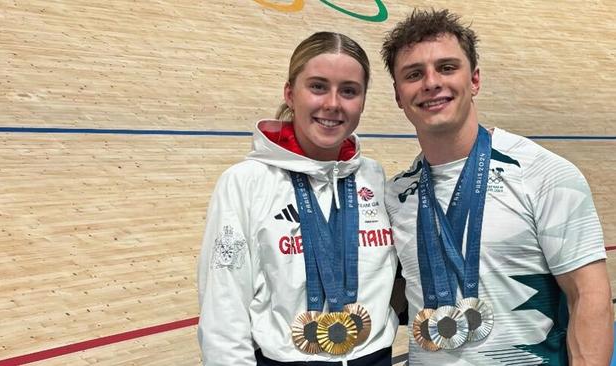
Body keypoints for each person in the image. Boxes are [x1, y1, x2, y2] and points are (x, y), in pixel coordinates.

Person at [381, 9, 613, 365]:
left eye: (446, 67)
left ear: (474, 80)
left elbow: (588, 295)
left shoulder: (543, 173)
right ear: (398, 96)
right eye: (414, 74)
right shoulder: (396, 195)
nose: (431, 82)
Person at [197, 31, 399, 365]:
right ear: (291, 94)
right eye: (318, 86)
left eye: (348, 91)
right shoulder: (245, 183)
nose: (333, 103)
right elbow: (223, 315)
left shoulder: (373, 177)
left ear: (362, 101)